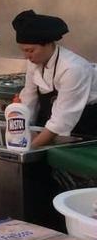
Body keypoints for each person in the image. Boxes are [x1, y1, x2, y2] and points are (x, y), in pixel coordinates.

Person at [13, 10, 97, 146]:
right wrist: (21, 117)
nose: (26, 56)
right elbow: (30, 97)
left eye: (30, 50)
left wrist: (29, 149)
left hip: (85, 128)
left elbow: (62, 120)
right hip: (52, 126)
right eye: (23, 50)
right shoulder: (33, 62)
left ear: (48, 44)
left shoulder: (73, 68)